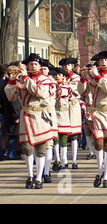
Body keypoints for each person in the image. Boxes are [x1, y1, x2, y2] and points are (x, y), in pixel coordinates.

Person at [4, 53, 55, 189]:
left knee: (41, 149)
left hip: (40, 116)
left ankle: (39, 177)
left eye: (35, 64)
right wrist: (12, 81)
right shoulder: (21, 80)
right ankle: (30, 175)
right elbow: (10, 97)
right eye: (30, 64)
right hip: (25, 115)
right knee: (27, 148)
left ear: (39, 66)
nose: (33, 66)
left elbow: (38, 92)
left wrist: (26, 76)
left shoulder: (45, 80)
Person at [79, 51, 107, 188]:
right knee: (98, 142)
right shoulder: (92, 75)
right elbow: (81, 92)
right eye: (101, 60)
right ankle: (100, 171)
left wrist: (97, 77)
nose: (103, 62)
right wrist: (83, 78)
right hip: (96, 112)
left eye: (106, 60)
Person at [59, 57, 81, 169]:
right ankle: (63, 159)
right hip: (63, 106)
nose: (67, 67)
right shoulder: (60, 78)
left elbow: (75, 90)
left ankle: (74, 160)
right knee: (62, 133)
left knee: (74, 134)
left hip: (73, 105)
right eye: (65, 65)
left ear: (72, 66)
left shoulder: (76, 78)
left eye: (69, 65)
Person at [0, 64, 21, 161]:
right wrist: (16, 115)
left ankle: (11, 153)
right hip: (12, 112)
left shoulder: (3, 83)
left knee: (10, 134)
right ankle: (12, 154)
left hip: (6, 112)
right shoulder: (10, 85)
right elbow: (14, 101)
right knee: (13, 135)